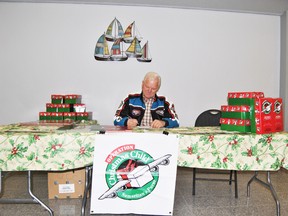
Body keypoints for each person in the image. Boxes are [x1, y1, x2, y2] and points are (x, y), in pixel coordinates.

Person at [114, 71, 179, 129]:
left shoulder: (165, 101)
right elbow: (116, 119)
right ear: (142, 84)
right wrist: (126, 122)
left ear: (158, 88)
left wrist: (163, 123)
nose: (149, 91)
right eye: (147, 87)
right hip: (133, 136)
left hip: (157, 138)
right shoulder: (129, 98)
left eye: (153, 88)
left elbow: (176, 121)